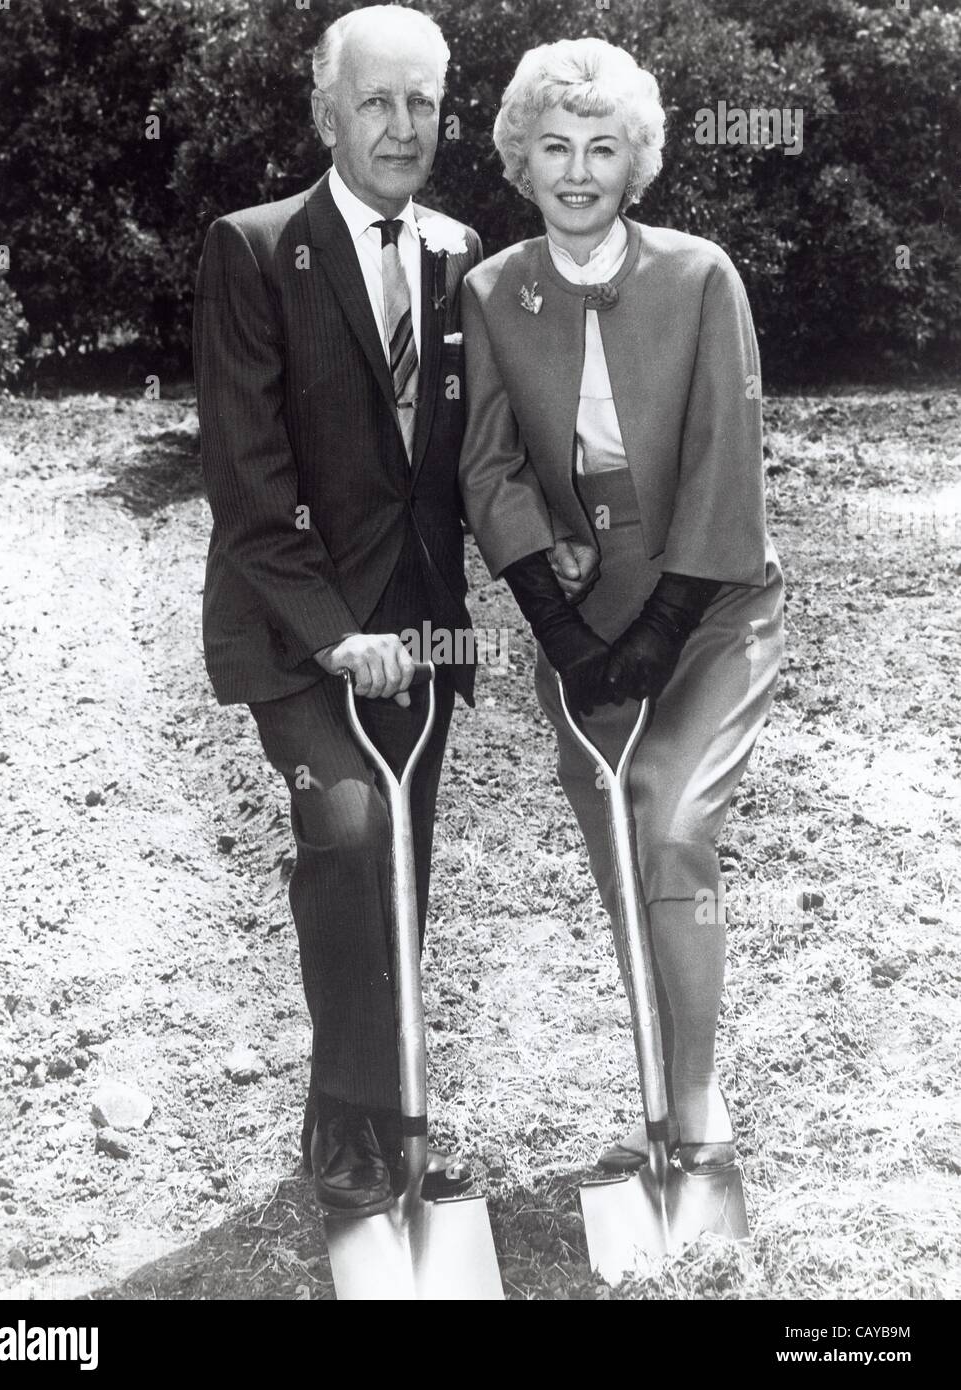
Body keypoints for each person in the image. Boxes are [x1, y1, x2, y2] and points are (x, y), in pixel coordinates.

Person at [459, 37, 784, 1173]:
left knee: (670, 818)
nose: (579, 171)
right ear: (522, 158)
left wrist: (660, 629)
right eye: (556, 147)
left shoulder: (701, 278)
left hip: (711, 606)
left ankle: (698, 1102)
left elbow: (723, 464)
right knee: (619, 854)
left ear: (635, 160)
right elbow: (489, 469)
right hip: (583, 622)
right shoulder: (494, 290)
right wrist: (560, 627)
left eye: (603, 148)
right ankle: (656, 1079)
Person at [194, 5, 482, 1217]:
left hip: (420, 628)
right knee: (351, 837)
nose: (402, 125)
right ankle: (352, 1125)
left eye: (422, 102)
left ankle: (378, 1105)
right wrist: (333, 635)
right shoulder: (257, 251)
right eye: (377, 102)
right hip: (301, 626)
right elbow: (251, 486)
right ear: (326, 114)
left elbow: (474, 464)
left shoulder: (464, 254)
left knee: (400, 860)